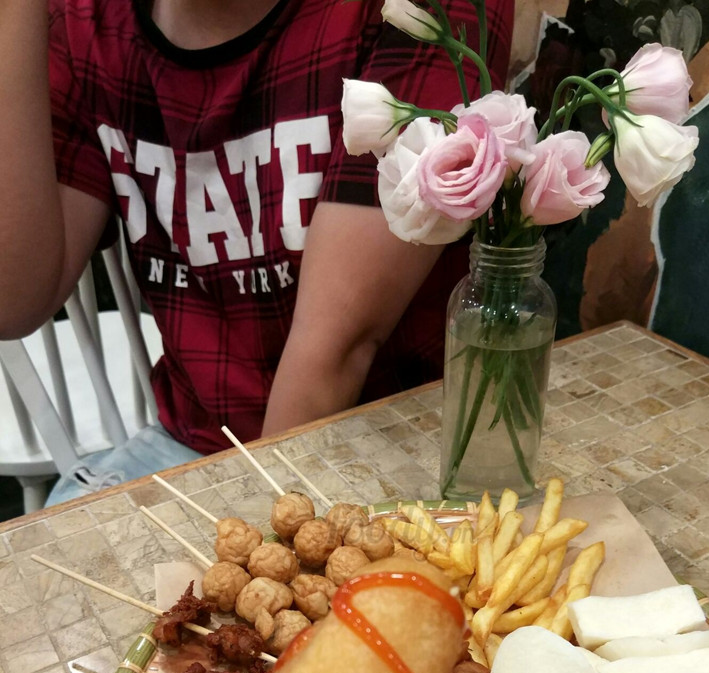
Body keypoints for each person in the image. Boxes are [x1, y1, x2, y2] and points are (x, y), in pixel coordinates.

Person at [0, 0, 514, 502]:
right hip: (196, 441)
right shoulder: (87, 23)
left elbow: (336, 350)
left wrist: (264, 537)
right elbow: (13, 300)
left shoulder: (415, 10)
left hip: (403, 432)